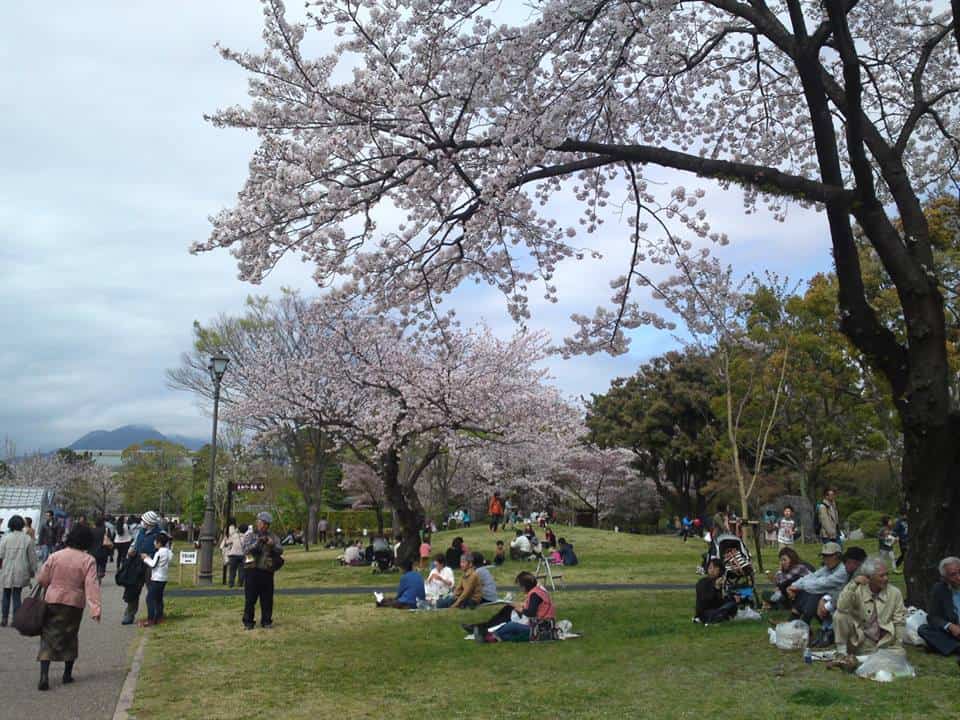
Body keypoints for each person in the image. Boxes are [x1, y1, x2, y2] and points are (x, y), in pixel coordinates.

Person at [34, 524, 102, 691]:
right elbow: (91, 585)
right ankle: (67, 674)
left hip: (52, 599)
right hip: (74, 602)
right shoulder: (88, 560)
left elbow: (42, 578)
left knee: (47, 636)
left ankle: (44, 675)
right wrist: (95, 608)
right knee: (70, 636)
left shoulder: (55, 556)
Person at [833, 557, 906, 656]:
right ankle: (841, 652)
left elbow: (899, 621)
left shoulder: (895, 593)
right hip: (860, 638)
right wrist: (853, 585)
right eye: (881, 576)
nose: (886, 578)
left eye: (886, 574)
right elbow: (841, 607)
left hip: (883, 640)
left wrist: (898, 645)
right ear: (869, 577)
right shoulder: (857, 589)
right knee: (839, 615)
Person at [787, 543, 865, 626]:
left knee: (812, 594)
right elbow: (812, 576)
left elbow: (821, 584)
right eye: (824, 556)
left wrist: (796, 587)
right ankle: (796, 625)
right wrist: (793, 586)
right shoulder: (829, 567)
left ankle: (801, 626)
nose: (825, 559)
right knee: (807, 592)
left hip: (840, 601)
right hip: (833, 597)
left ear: (838, 556)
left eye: (828, 556)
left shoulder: (843, 571)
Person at [470, 571, 556, 643]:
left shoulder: (534, 594)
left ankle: (489, 635)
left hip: (540, 627)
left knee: (511, 625)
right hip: (543, 626)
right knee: (511, 634)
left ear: (524, 586)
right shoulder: (538, 591)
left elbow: (531, 613)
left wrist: (519, 608)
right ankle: (494, 637)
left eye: (520, 586)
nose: (520, 589)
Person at [242, 512, 283, 630]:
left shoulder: (273, 536)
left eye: (266, 524)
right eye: (262, 523)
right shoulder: (250, 535)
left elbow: (280, 550)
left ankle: (266, 621)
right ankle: (248, 622)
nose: (264, 526)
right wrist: (258, 542)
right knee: (250, 598)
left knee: (267, 599)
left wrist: (272, 544)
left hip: (267, 570)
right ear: (257, 522)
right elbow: (245, 550)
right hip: (252, 570)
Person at [917, 556, 960, 663]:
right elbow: (933, 617)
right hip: (954, 632)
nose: (959, 577)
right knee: (923, 629)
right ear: (944, 578)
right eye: (953, 575)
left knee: (932, 642)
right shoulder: (939, 589)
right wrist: (949, 626)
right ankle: (956, 647)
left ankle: (944, 647)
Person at [122, 511, 161, 625]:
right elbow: (134, 543)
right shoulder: (141, 532)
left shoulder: (160, 534)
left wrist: (152, 557)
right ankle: (129, 614)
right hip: (137, 563)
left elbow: (164, 551)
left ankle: (155, 614)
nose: (142, 522)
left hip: (152, 566)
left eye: (144, 521)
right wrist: (130, 552)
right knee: (133, 590)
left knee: (153, 591)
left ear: (149, 523)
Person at [0, 515, 39, 626]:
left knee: (6, 594)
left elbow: (0, 554)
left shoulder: (6, 537)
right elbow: (32, 558)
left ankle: (4, 619)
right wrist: (33, 571)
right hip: (21, 570)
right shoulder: (27, 539)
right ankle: (15, 620)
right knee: (17, 595)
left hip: (7, 569)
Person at [140, 532, 172, 626]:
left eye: (155, 541)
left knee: (149, 599)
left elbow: (153, 565)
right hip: (164, 578)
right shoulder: (168, 552)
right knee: (158, 598)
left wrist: (145, 558)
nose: (154, 543)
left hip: (157, 578)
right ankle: (159, 617)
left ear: (159, 543)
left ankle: (150, 619)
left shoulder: (159, 552)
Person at [694, 559, 738, 623]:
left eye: (715, 568)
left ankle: (721, 616)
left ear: (720, 571)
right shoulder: (702, 582)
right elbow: (706, 601)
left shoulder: (722, 582)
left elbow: (720, 601)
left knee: (732, 604)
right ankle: (716, 617)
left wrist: (733, 598)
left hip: (718, 609)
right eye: (710, 568)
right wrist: (716, 588)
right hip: (705, 611)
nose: (712, 570)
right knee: (716, 613)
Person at [221, 523, 246, 588]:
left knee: (232, 571)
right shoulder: (246, 537)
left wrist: (226, 538)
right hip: (242, 555)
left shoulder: (235, 536)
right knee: (241, 571)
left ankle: (231, 584)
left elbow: (227, 542)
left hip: (233, 555)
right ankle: (240, 583)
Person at [89, 517, 110, 583]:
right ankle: (101, 572)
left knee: (95, 564)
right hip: (103, 550)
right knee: (102, 563)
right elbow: (109, 538)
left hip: (92, 550)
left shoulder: (91, 530)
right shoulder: (106, 530)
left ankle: (96, 574)